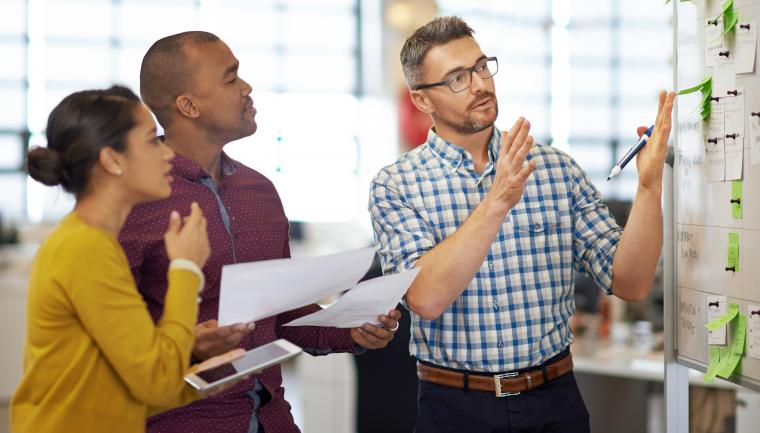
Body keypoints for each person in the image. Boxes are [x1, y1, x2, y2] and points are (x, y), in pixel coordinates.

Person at [368, 16, 676, 433]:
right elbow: (425, 298)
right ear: (423, 100)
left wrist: (648, 185)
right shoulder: (396, 184)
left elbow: (631, 281)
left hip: (555, 398)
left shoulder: (553, 168)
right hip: (455, 408)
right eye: (457, 78)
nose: (479, 84)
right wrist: (498, 200)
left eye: (480, 66)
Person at [119, 31, 402, 433]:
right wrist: (186, 344)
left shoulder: (259, 191)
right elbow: (105, 336)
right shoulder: (134, 200)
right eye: (230, 78)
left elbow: (282, 316)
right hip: (179, 421)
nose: (247, 88)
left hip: (272, 418)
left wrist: (350, 330)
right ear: (188, 104)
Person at [10, 86, 244, 433]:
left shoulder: (89, 241)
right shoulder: (86, 248)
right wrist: (185, 268)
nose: (167, 153)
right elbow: (155, 381)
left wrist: (195, 378)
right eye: (151, 141)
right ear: (112, 160)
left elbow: (117, 382)